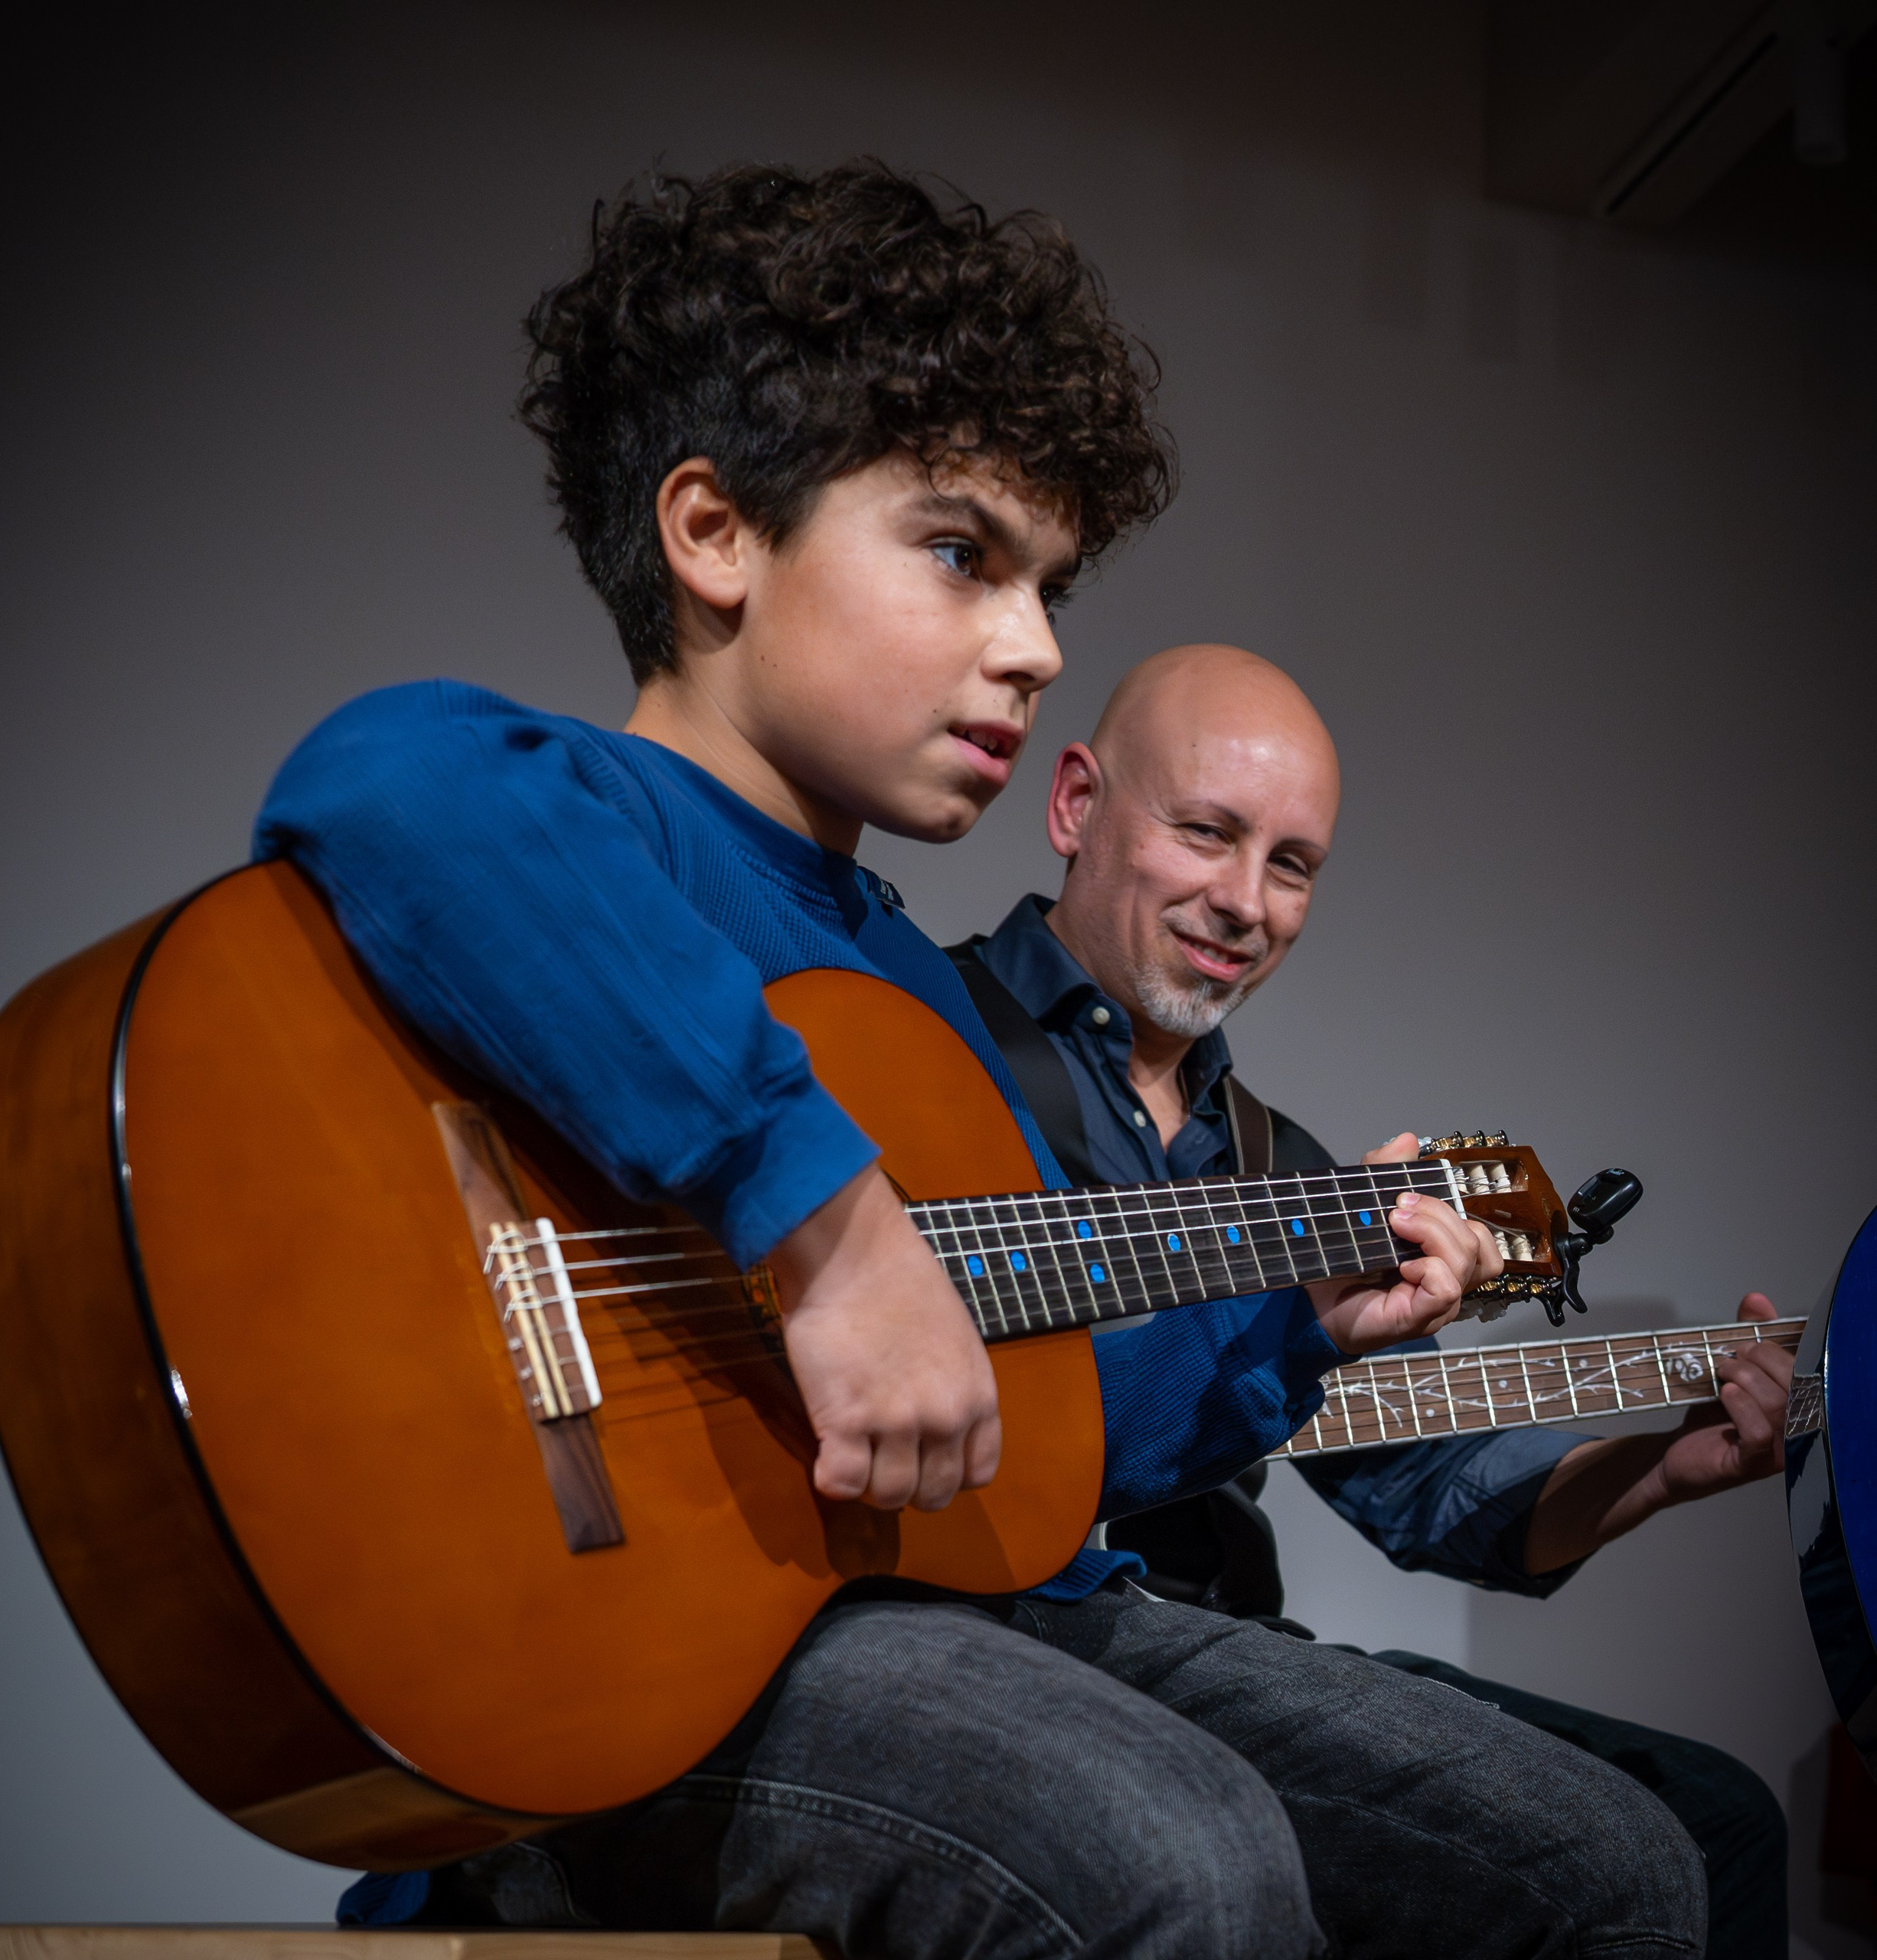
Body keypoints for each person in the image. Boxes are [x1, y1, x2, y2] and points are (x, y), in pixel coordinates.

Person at [255, 162, 1707, 1957]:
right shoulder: (595, 807)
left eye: (1048, 583)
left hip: (954, 1608)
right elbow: (389, 784)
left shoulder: (912, 998)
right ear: (712, 533)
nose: (1030, 647)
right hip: (632, 1669)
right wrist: (822, 1223)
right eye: (960, 555)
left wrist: (1290, 1328)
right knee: (1179, 1852)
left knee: (1614, 1864)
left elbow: (1036, 1450)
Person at [951, 641, 1792, 1960]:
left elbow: (1426, 1487)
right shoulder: (913, 1042)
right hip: (1018, 1630)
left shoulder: (1282, 1169)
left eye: (1290, 865)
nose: (1246, 902)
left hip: (1231, 1638)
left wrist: (1663, 1469)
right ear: (1074, 807)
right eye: (1206, 833)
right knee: (1608, 1867)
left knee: (1723, 1819)